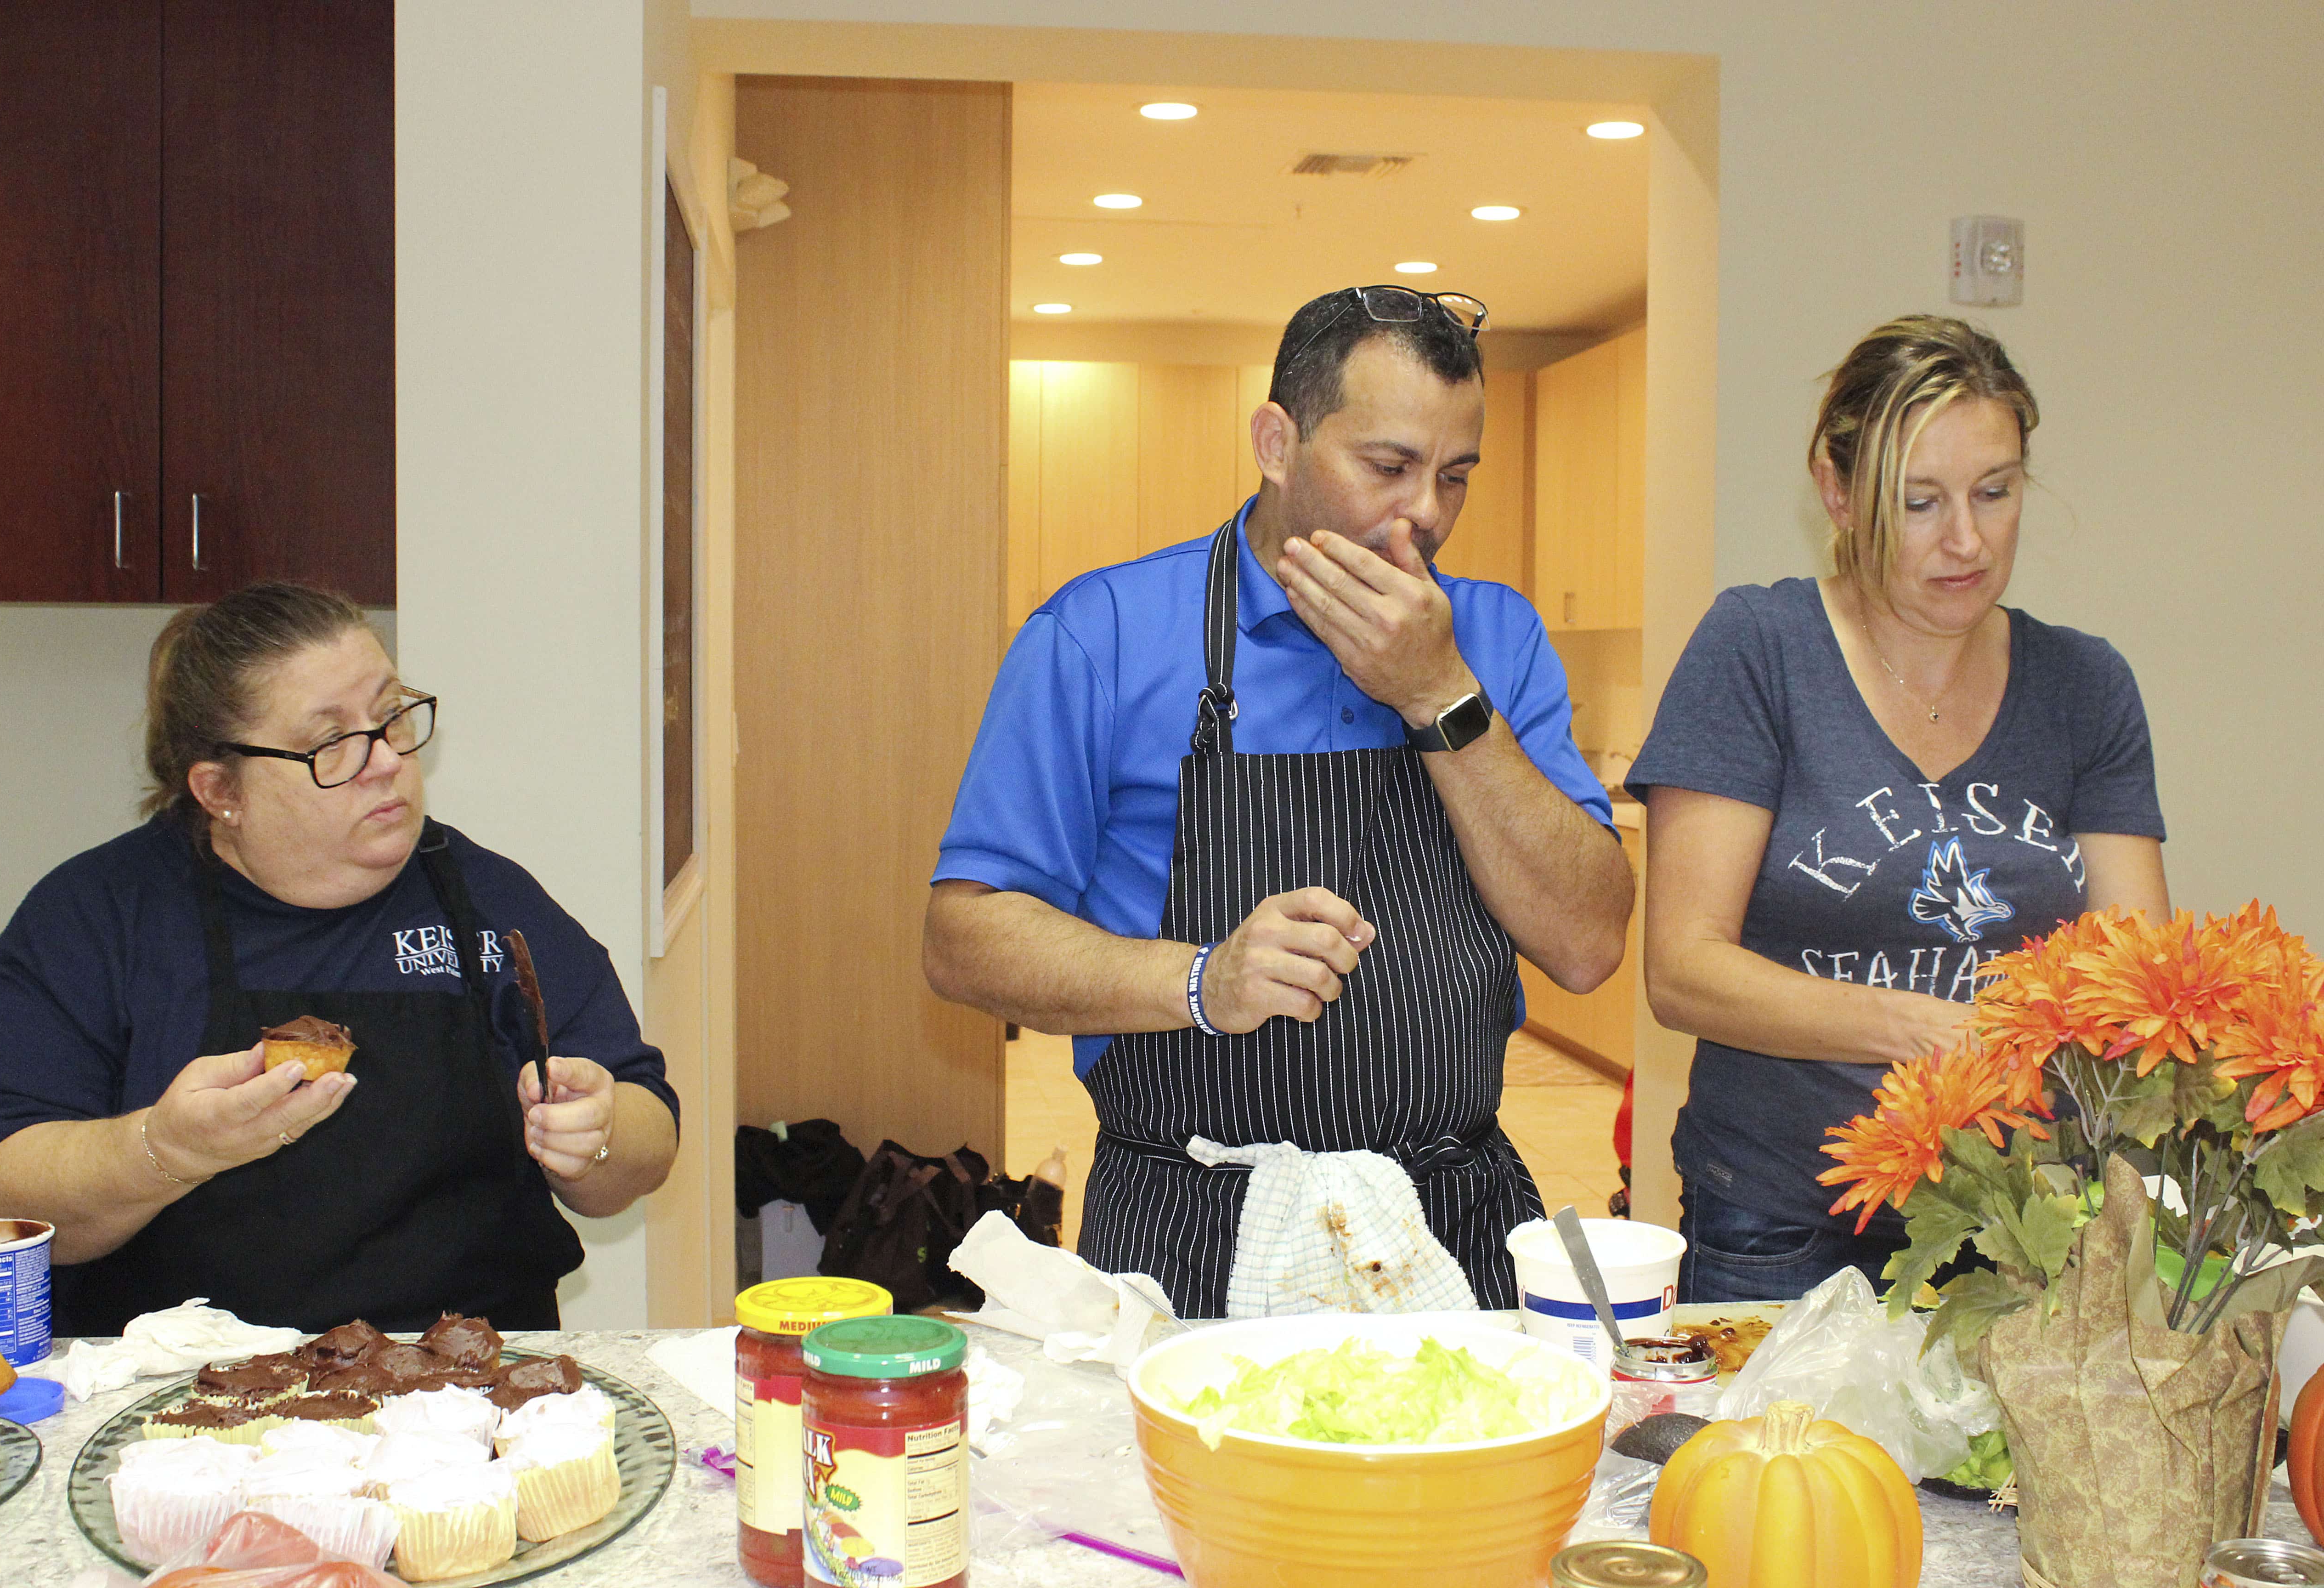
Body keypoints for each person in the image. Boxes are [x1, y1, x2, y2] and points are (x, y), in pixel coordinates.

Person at [924, 285, 1634, 1316]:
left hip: (1450, 1224)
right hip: (1186, 1226)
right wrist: (1203, 979)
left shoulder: (1497, 639)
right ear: (1276, 441)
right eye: (1388, 468)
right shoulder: (1104, 634)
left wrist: (1439, 695)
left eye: (1455, 477)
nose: (1426, 512)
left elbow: (1588, 943)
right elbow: (964, 938)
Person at [0, 584, 679, 1333]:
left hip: (475, 1384)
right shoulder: (96, 918)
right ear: (219, 790)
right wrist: (163, 1149)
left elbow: (648, 1130)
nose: (386, 760)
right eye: (331, 745)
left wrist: (600, 1131)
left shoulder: (489, 901)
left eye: (391, 717)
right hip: (177, 1397)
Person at [1629, 316, 2170, 1303]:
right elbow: (1684, 970)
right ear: (1836, 494)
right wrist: (1929, 1032)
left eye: (1995, 493)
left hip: (2024, 1220)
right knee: (1793, 1467)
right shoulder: (1759, 649)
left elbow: (2135, 973)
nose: (1965, 540)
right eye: (1920, 503)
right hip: (1782, 1220)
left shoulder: (2085, 685)